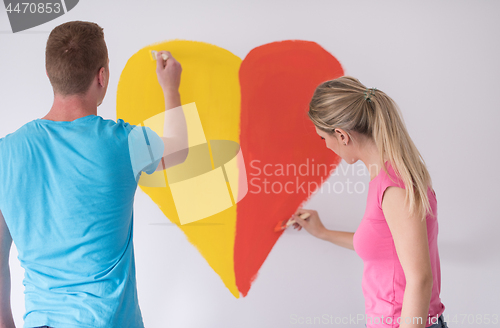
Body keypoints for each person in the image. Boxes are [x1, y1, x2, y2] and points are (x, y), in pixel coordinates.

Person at [0, 21, 187, 328]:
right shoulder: (122, 143)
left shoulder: (5, 153)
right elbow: (179, 149)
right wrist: (170, 88)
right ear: (102, 76)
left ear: (50, 75)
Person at [291, 77, 448, 328]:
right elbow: (384, 246)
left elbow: (420, 279)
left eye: (323, 138)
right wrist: (323, 233)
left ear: (341, 135)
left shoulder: (393, 187)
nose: (326, 146)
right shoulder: (389, 177)